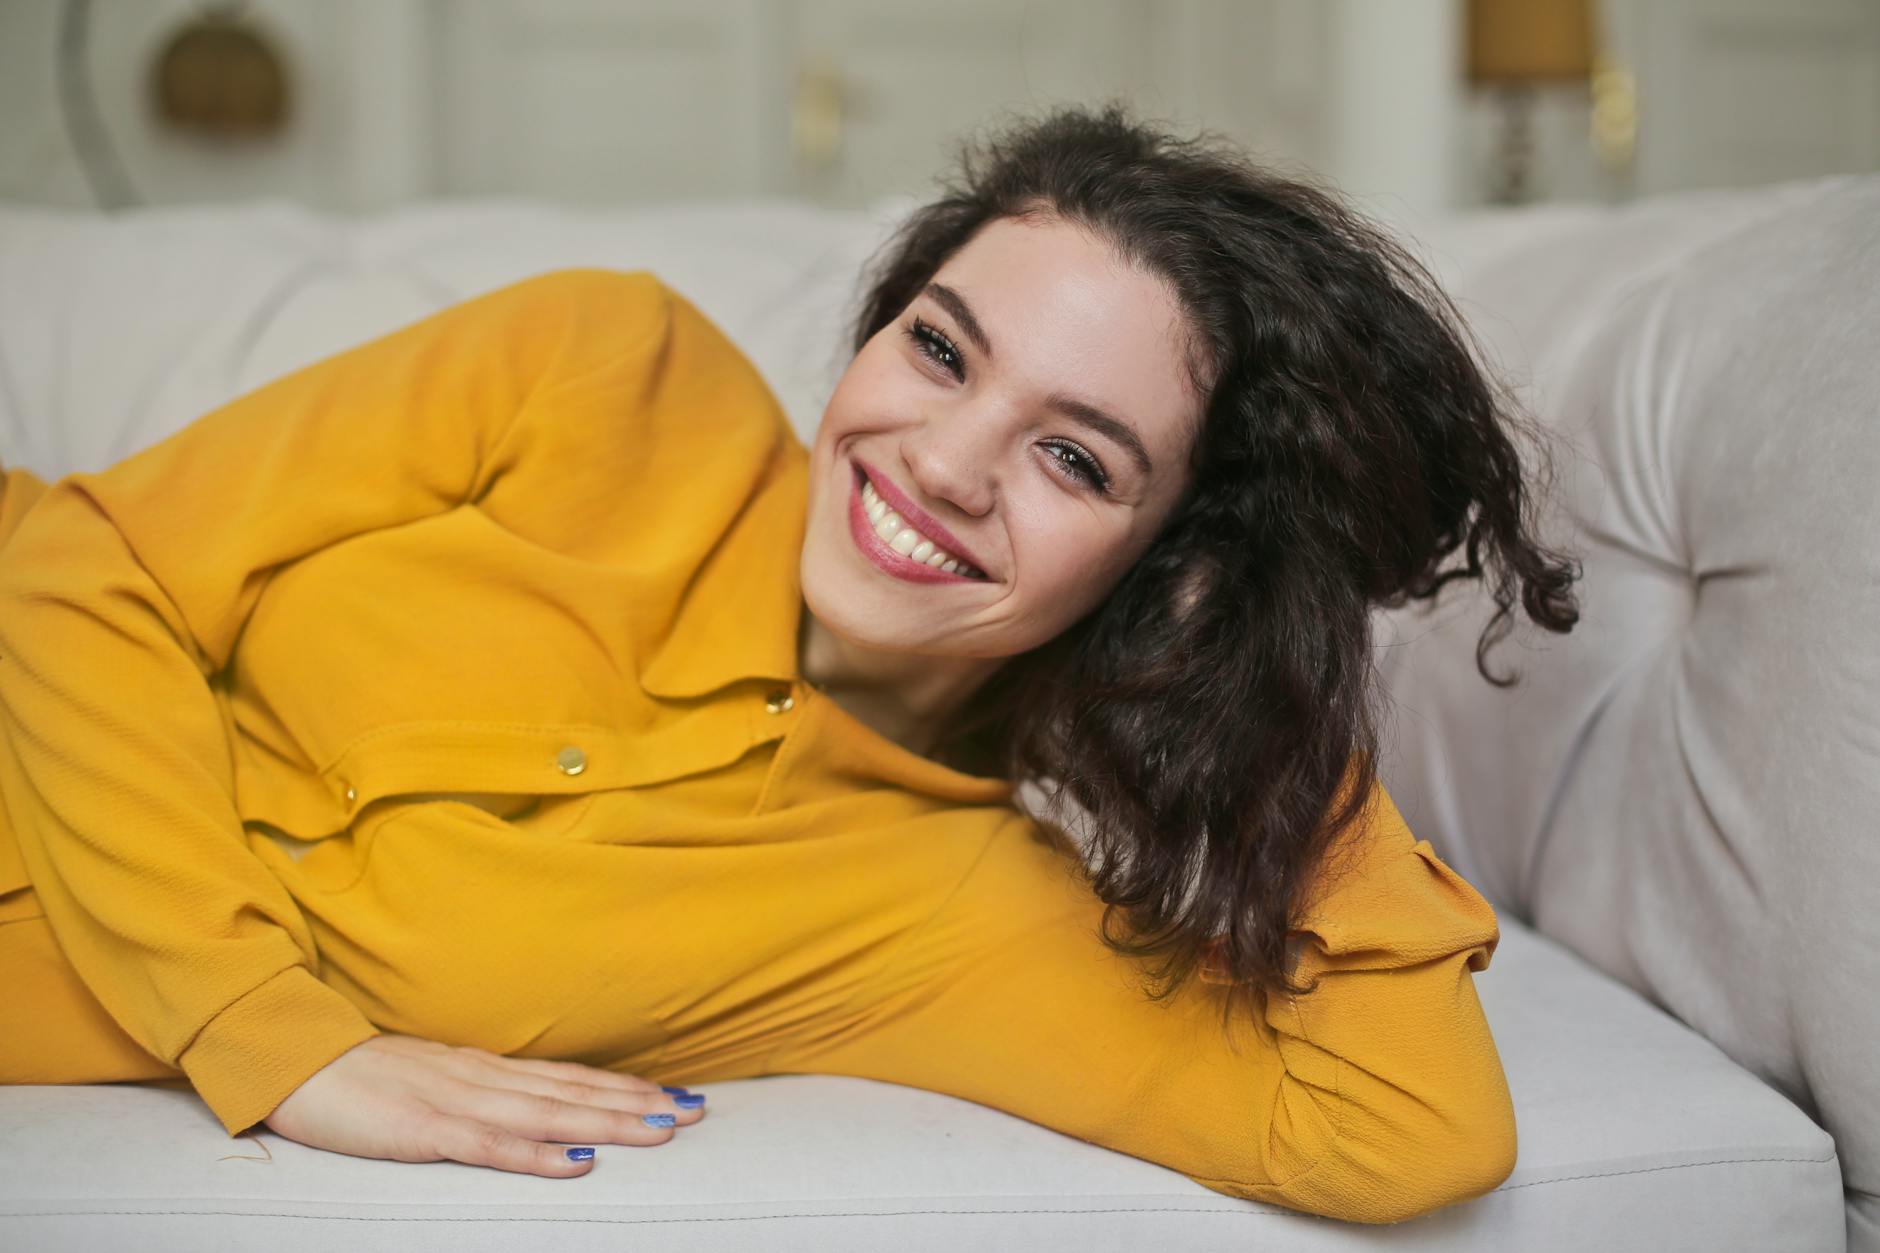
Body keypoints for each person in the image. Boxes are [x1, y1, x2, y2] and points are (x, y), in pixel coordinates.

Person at [0, 103, 1579, 1224]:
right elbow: (80, 563)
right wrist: (273, 1035)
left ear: (1172, 568)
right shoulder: (602, 366)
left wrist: (1264, 685)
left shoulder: (943, 907)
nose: (944, 461)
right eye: (940, 349)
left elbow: (1403, 1127)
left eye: (1077, 462)